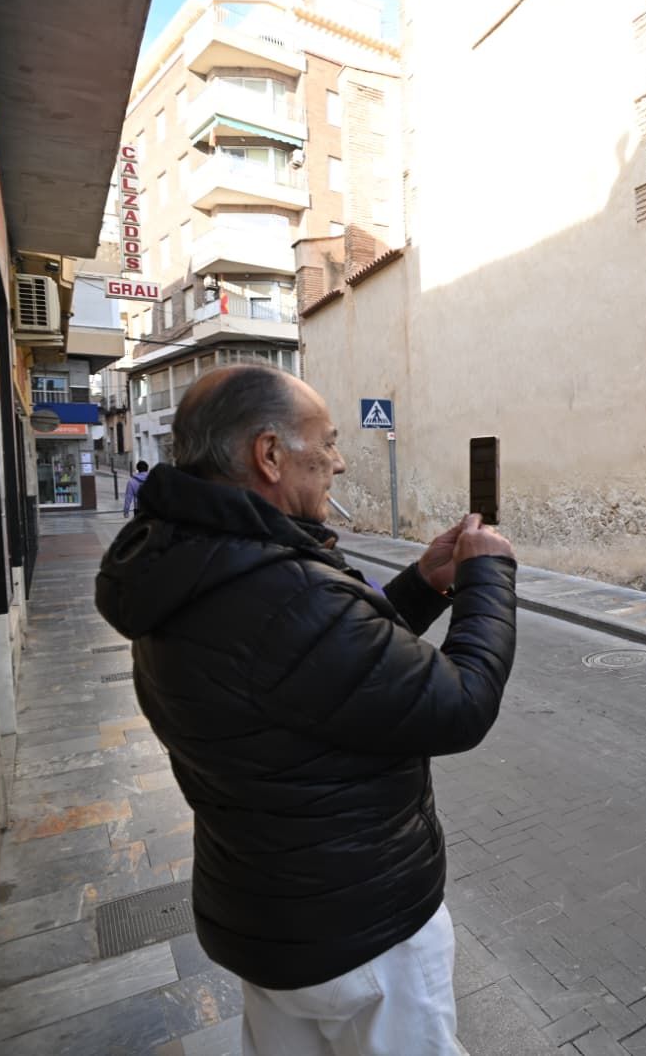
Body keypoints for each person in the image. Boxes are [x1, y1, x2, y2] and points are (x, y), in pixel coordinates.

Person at [95, 365, 518, 1055]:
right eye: (326, 442)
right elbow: (460, 706)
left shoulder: (189, 563)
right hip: (359, 931)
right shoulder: (276, 585)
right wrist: (488, 577)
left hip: (265, 917)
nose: (340, 461)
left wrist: (422, 584)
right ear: (269, 455)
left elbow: (320, 667)